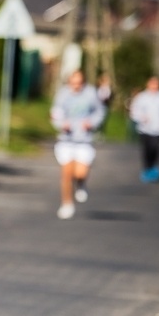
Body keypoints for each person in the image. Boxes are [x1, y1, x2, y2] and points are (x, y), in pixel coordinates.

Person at [50, 70, 105, 220]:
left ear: (83, 82)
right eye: (73, 83)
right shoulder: (63, 94)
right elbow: (56, 112)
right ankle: (67, 204)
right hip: (66, 140)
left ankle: (81, 183)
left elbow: (100, 112)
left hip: (84, 140)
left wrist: (91, 123)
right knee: (66, 174)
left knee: (80, 173)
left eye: (79, 83)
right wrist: (61, 123)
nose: (76, 86)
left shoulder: (91, 94)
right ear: (69, 82)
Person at [129, 76, 159, 183]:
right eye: (152, 84)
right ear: (148, 85)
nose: (154, 86)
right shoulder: (142, 97)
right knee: (147, 149)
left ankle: (154, 167)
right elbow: (134, 111)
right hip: (145, 129)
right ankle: (147, 168)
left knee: (156, 148)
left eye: (156, 84)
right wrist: (141, 117)